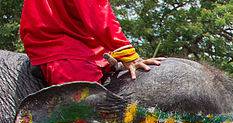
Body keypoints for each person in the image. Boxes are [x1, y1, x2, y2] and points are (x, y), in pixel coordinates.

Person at [19, 0, 163, 85]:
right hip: (62, 50)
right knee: (87, 113)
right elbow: (99, 16)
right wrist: (129, 55)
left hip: (72, 42)